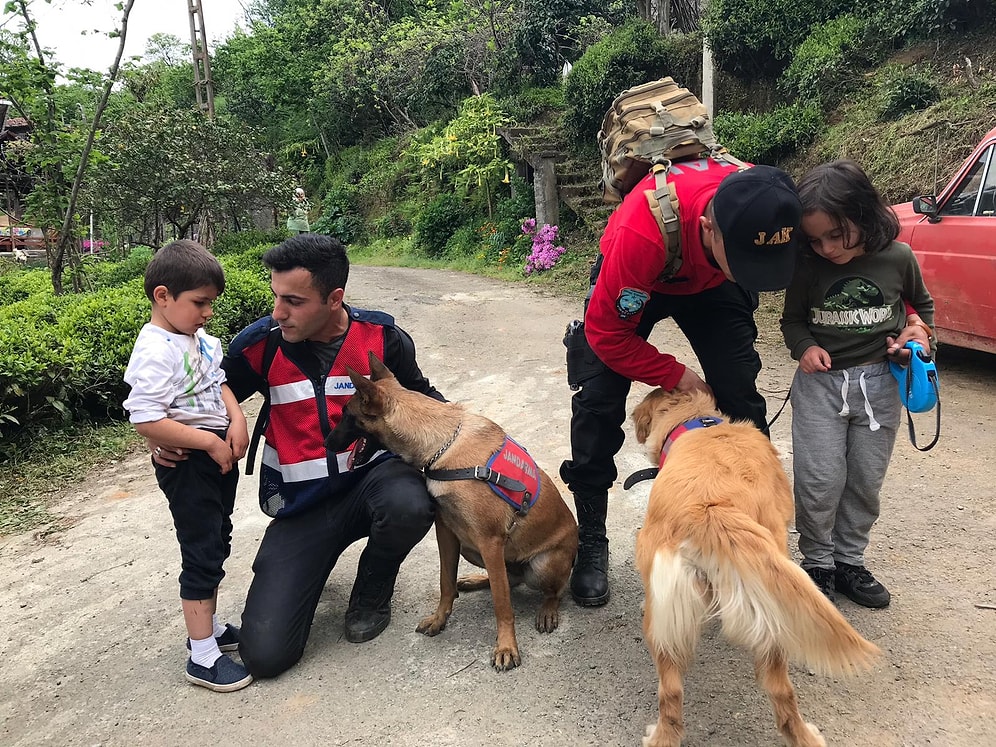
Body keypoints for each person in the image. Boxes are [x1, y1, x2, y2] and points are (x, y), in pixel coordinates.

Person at [174, 233, 440, 679]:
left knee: (410, 502)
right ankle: (307, 565)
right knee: (266, 656)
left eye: (293, 301)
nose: (279, 312)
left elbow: (424, 400)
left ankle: (372, 590)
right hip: (302, 507)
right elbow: (201, 403)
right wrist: (166, 438)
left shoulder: (382, 337)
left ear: (334, 298)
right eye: (276, 297)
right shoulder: (261, 345)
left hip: (374, 482)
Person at [561, 161, 804, 607]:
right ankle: (592, 538)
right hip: (646, 275)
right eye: (750, 264)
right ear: (710, 227)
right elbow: (607, 335)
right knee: (598, 401)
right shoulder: (642, 231)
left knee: (739, 394)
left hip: (711, 283)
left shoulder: (770, 205)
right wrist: (675, 375)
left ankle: (754, 529)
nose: (759, 274)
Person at [780, 160, 934, 609]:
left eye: (836, 234)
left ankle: (849, 561)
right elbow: (792, 322)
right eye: (815, 239)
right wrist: (804, 347)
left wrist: (918, 335)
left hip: (879, 384)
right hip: (820, 387)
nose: (826, 247)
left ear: (865, 216)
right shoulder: (807, 267)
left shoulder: (898, 258)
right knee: (819, 478)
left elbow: (921, 308)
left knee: (866, 479)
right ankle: (818, 563)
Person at [122, 239, 252, 692]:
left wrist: (236, 419)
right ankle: (202, 657)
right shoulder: (156, 350)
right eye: (199, 303)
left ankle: (210, 629)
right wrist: (207, 443)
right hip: (191, 463)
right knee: (200, 549)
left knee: (217, 539)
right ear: (163, 296)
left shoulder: (200, 341)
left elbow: (220, 386)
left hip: (216, 453)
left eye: (210, 303)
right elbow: (145, 417)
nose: (207, 313)